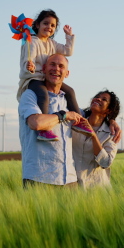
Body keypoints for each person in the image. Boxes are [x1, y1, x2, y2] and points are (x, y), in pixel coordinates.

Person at [16, 9, 92, 142]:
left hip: (47, 78)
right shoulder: (32, 41)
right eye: (45, 23)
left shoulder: (52, 43)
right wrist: (30, 66)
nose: (49, 27)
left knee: (70, 91)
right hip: (33, 78)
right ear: (37, 24)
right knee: (43, 94)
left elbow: (68, 51)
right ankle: (44, 130)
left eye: (52, 26)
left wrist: (69, 36)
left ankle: (80, 121)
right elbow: (29, 60)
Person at [18, 54, 85, 188]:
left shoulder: (69, 102)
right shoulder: (30, 95)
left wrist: (111, 120)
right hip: (40, 178)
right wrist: (63, 116)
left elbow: (90, 119)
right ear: (43, 68)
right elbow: (36, 123)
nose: (56, 69)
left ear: (67, 73)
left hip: (70, 180)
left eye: (61, 66)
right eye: (52, 64)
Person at [72, 90, 121, 188]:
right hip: (73, 186)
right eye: (97, 96)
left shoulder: (111, 134)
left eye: (104, 99)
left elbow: (105, 163)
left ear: (108, 110)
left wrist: (93, 136)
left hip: (96, 188)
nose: (98, 99)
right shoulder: (75, 120)